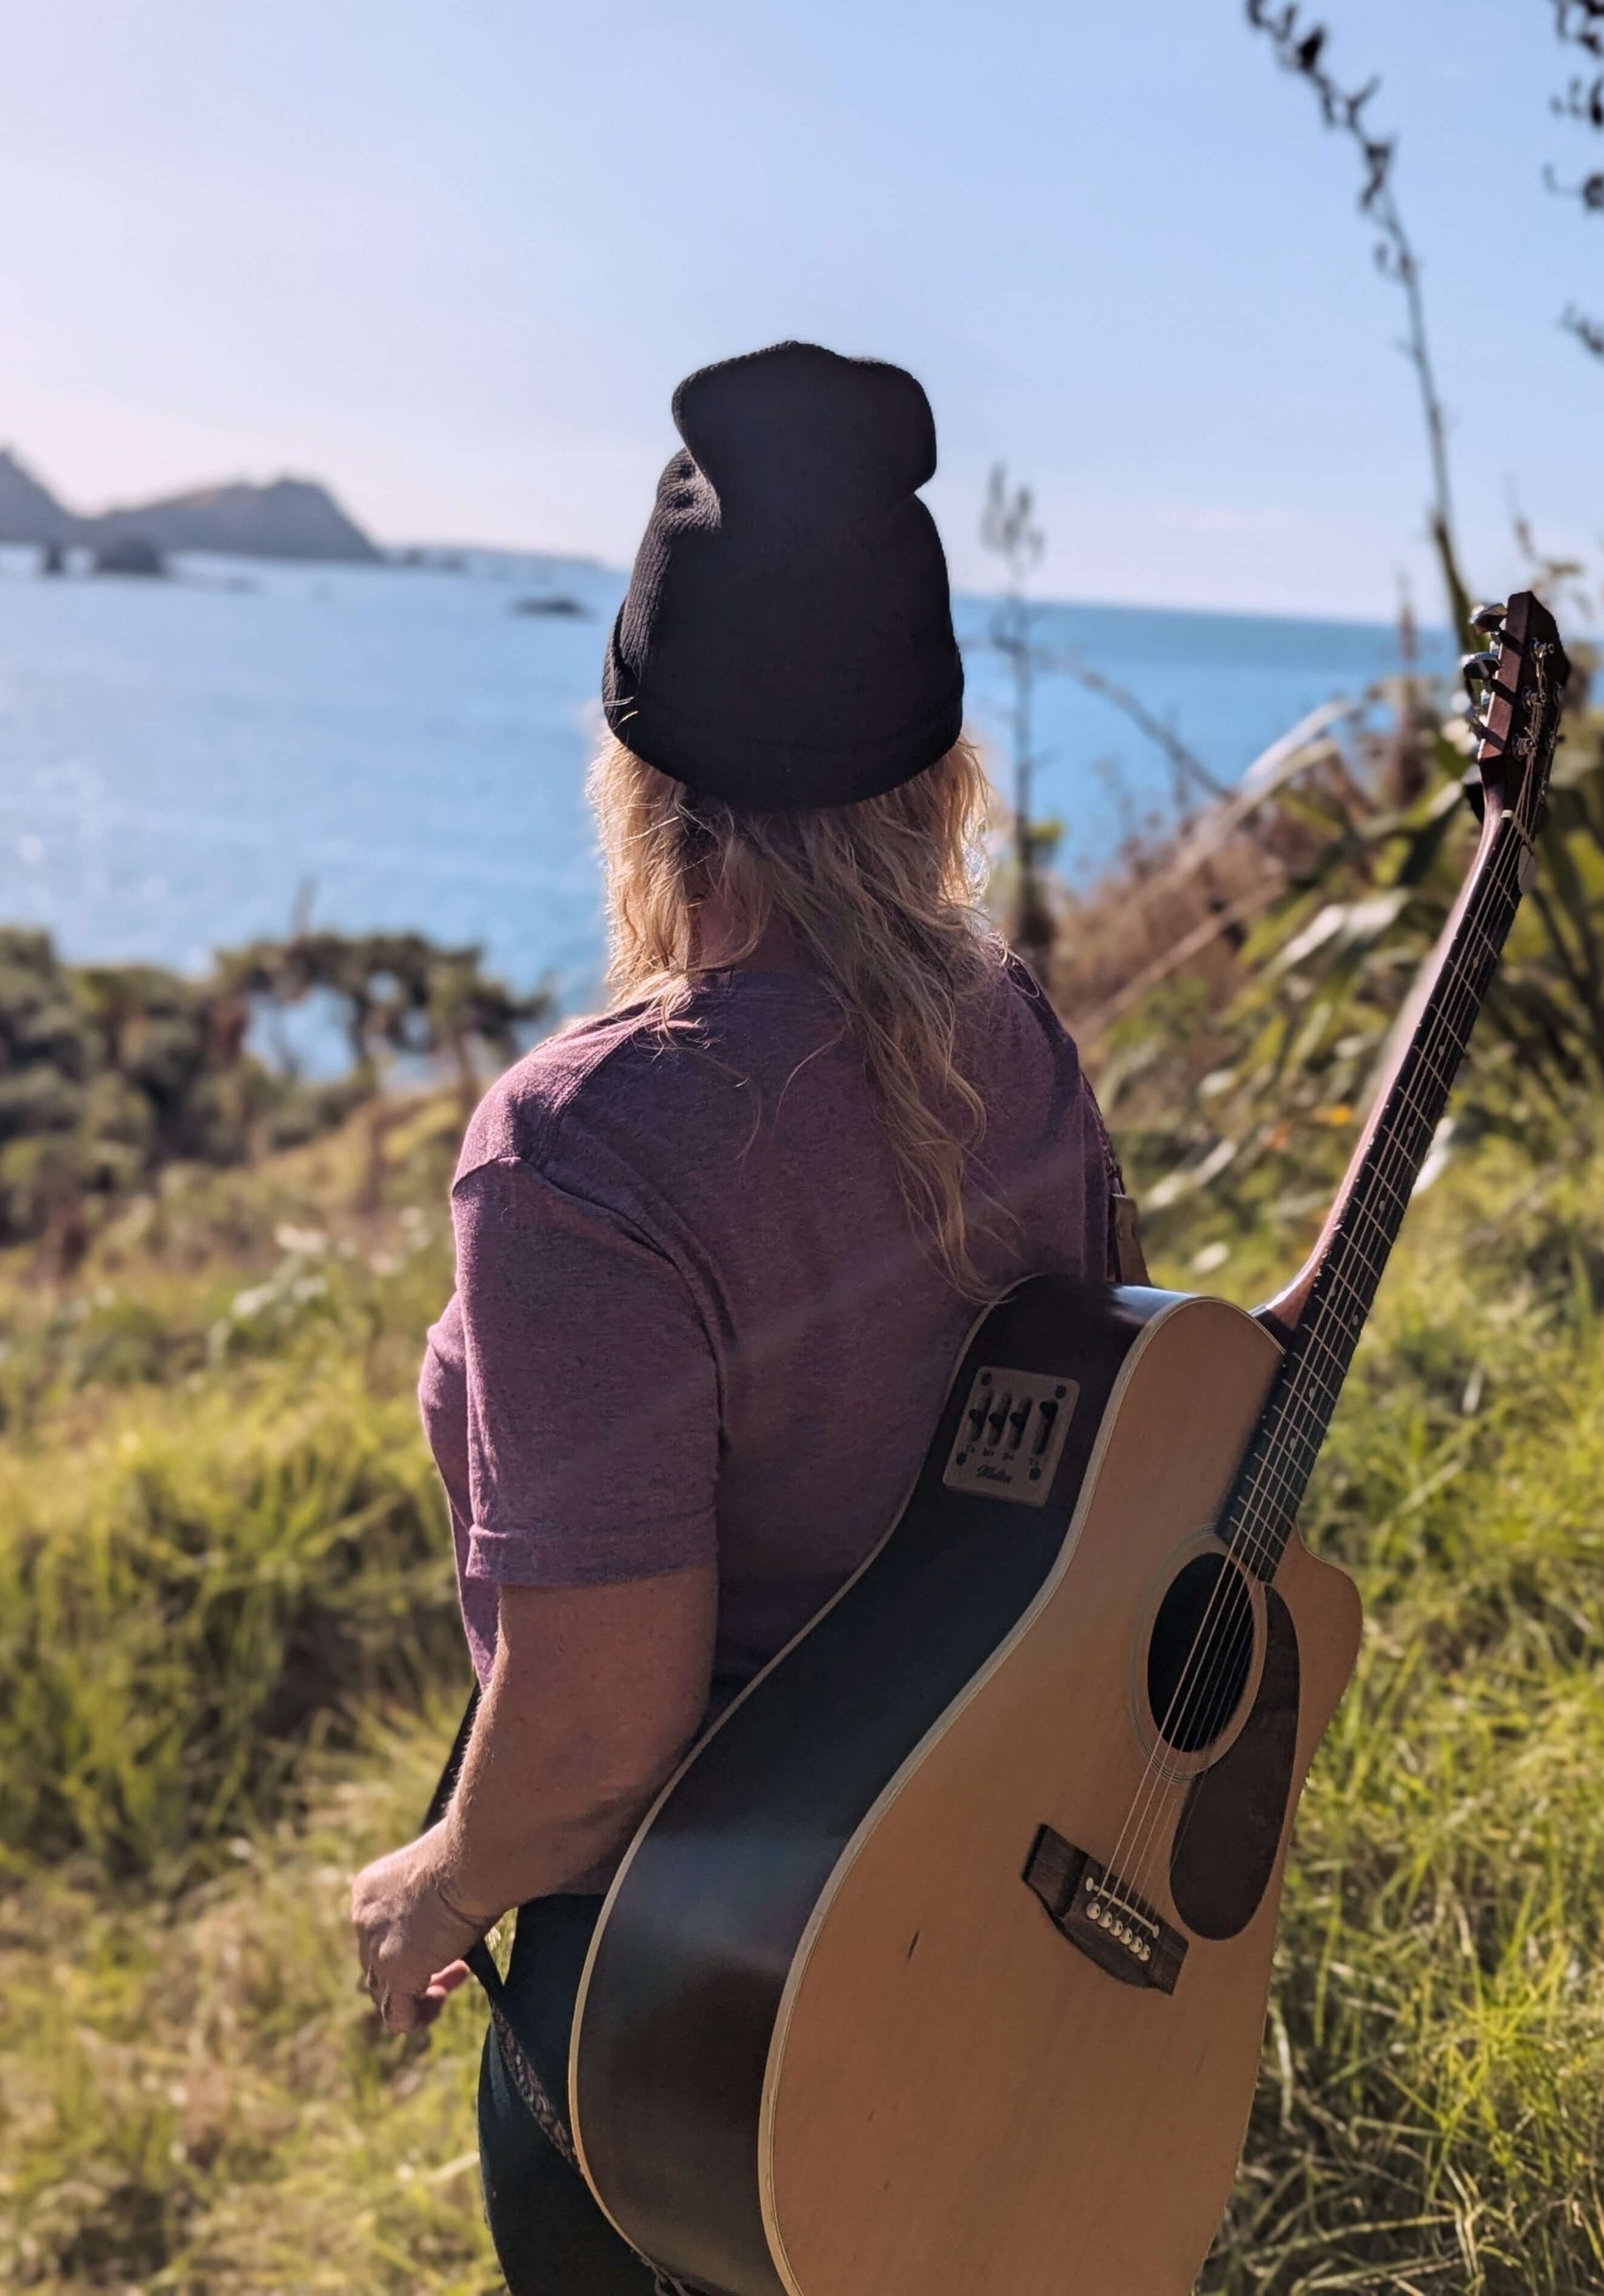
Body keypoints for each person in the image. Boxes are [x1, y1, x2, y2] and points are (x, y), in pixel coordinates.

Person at [350, 341, 1122, 2294]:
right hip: (1004, 1905)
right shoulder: (1012, 1035)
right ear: (939, 779)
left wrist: (432, 1880)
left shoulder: (577, 1151)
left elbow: (603, 1743)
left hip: (693, 2013)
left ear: (645, 777)